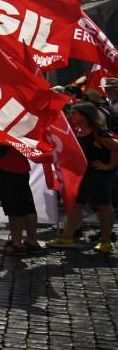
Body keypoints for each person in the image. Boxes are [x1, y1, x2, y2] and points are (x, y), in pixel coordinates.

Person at [49, 103, 118, 252]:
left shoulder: (98, 132)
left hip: (99, 175)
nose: (72, 115)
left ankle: (106, 241)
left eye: (75, 113)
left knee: (103, 206)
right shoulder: (77, 131)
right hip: (82, 175)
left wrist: (109, 166)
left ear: (85, 115)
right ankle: (67, 237)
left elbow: (116, 147)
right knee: (75, 205)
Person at [0, 142, 43, 255]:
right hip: (21, 168)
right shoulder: (19, 126)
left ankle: (16, 243)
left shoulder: (1, 128)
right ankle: (32, 240)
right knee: (28, 206)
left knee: (13, 208)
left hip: (5, 168)